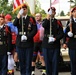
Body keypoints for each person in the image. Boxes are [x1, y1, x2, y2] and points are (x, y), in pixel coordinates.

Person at [13, 4, 37, 75]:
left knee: (28, 61)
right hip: (20, 43)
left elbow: (34, 30)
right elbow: (14, 24)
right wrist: (18, 15)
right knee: (21, 62)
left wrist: (28, 36)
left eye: (24, 9)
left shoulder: (31, 19)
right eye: (21, 9)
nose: (23, 10)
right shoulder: (19, 18)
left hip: (28, 43)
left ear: (27, 10)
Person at [42, 7, 64, 75]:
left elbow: (61, 33)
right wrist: (48, 17)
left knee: (55, 63)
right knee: (47, 63)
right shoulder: (45, 20)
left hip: (55, 45)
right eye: (49, 11)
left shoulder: (58, 22)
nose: (51, 13)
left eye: (52, 11)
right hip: (46, 44)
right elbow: (44, 25)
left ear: (55, 13)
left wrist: (55, 38)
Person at [63, 7, 76, 75]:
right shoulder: (69, 21)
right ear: (73, 13)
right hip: (72, 44)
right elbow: (65, 33)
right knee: (73, 61)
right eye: (75, 12)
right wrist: (65, 42)